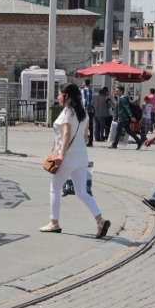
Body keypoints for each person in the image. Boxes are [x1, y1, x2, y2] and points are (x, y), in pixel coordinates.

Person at [41, 83, 111, 238]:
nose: (58, 97)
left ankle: (54, 223)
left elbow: (66, 134)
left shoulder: (67, 112)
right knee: (82, 192)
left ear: (66, 96)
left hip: (68, 158)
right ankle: (100, 219)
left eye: (59, 94)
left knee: (55, 189)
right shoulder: (83, 113)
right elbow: (86, 137)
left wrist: (61, 155)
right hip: (82, 158)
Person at [81, 79, 95, 147]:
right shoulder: (91, 90)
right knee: (90, 126)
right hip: (91, 110)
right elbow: (92, 100)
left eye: (83, 81)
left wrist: (85, 109)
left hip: (86, 110)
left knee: (84, 125)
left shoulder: (84, 90)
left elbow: (84, 100)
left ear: (85, 83)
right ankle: (91, 141)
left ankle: (84, 140)